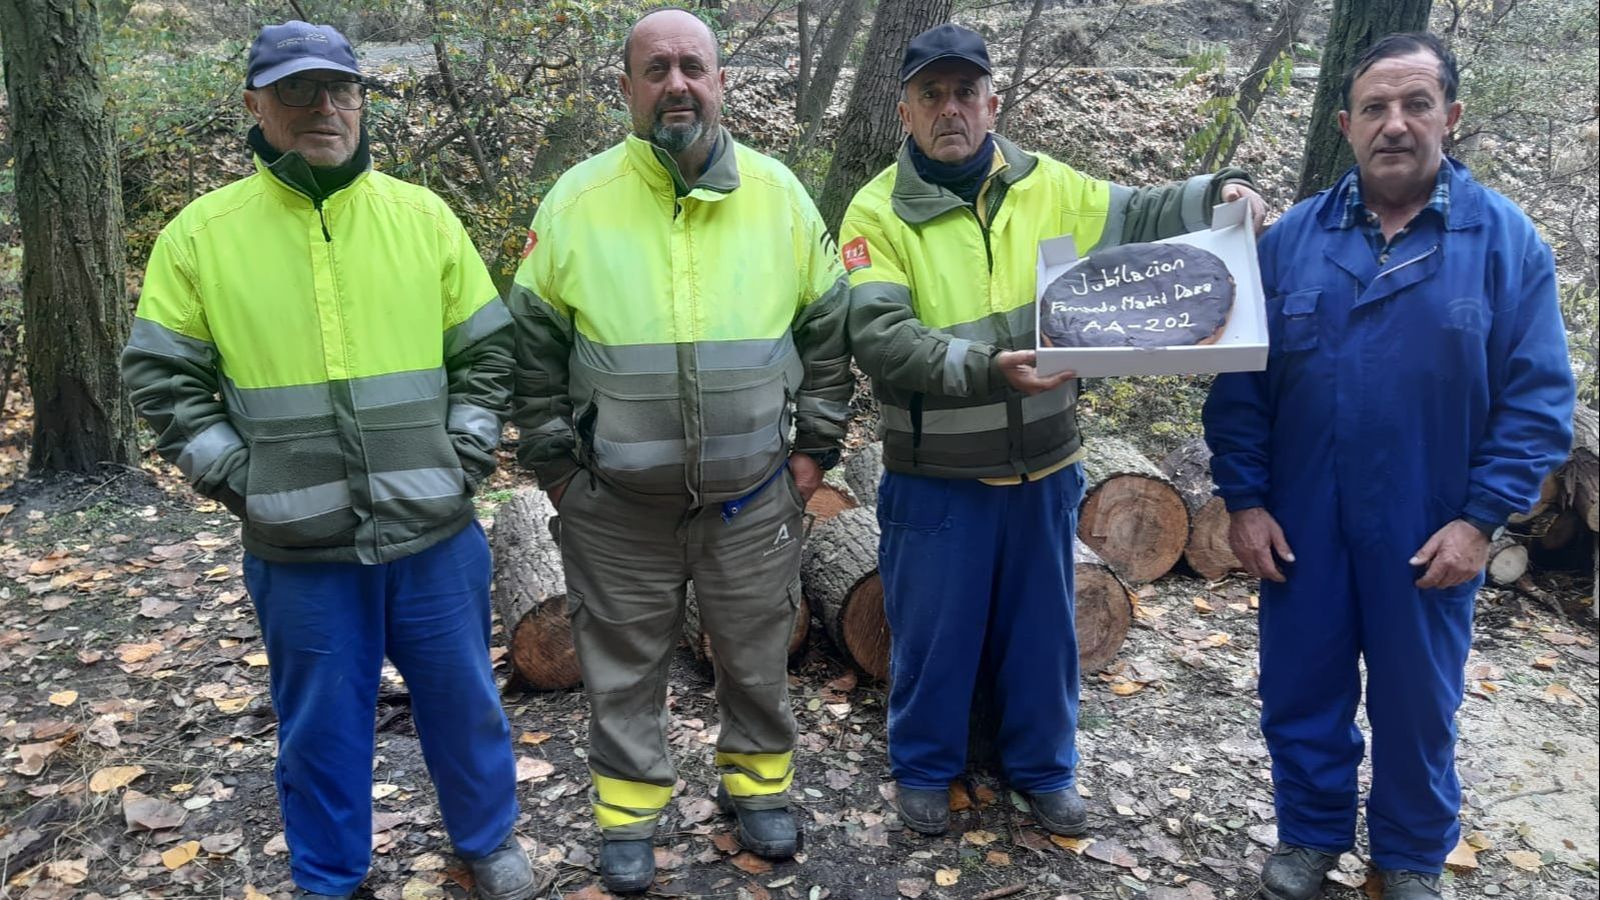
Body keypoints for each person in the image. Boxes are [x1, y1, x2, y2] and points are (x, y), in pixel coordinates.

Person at [120, 22, 540, 900]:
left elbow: (488, 354)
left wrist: (461, 454)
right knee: (319, 725)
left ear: (361, 99)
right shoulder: (202, 236)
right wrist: (245, 482)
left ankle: (488, 842)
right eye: (297, 91)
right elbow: (163, 381)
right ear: (254, 107)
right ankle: (330, 876)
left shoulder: (421, 218)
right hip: (298, 544)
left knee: (464, 705)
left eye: (340, 89)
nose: (324, 108)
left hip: (435, 530)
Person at [839, 22, 1266, 839]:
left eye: (966, 92)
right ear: (905, 111)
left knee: (1045, 635)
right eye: (932, 94)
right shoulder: (877, 211)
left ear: (991, 102)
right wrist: (988, 364)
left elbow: (1143, 212)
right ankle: (926, 770)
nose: (951, 108)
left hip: (1045, 467)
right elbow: (880, 337)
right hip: (937, 479)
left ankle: (1043, 770)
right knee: (933, 636)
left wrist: (1224, 188)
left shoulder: (1050, 184)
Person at [1203, 32, 1575, 900]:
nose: (1395, 124)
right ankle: (1309, 837)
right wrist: (1245, 499)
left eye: (1415, 105)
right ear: (1346, 124)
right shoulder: (1290, 242)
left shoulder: (1505, 243)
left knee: (1417, 705)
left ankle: (1409, 854)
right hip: (1302, 517)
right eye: (1375, 107)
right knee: (1301, 689)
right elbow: (1239, 387)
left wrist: (1482, 518)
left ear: (1450, 116)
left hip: (1429, 519)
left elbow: (1538, 399)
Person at [508, 8, 851, 894]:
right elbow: (533, 353)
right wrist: (558, 472)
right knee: (620, 667)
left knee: (755, 651)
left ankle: (760, 788)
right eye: (654, 70)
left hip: (753, 498)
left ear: (721, 80)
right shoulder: (576, 204)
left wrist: (814, 448)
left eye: (692, 67)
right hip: (617, 507)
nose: (676, 85)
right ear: (626, 88)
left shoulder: (780, 196)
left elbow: (827, 333)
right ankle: (629, 817)